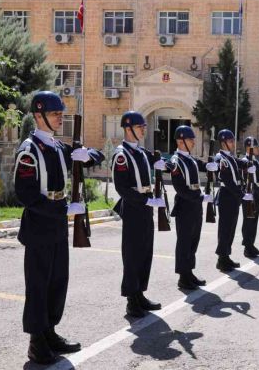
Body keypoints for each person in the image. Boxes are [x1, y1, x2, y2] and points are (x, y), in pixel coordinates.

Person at [14, 91, 104, 364]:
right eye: (55, 114)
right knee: (39, 284)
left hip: (56, 226)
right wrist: (63, 209)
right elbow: (26, 195)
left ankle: (50, 331)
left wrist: (88, 154)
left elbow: (95, 157)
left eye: (61, 114)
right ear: (38, 115)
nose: (59, 119)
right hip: (40, 225)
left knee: (57, 282)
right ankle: (36, 341)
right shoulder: (29, 151)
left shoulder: (56, 146)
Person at [112, 111, 166, 318]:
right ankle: (131, 300)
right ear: (128, 128)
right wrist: (146, 200)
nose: (144, 129)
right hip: (134, 208)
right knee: (133, 254)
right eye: (140, 126)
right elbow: (122, 188)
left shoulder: (141, 153)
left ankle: (140, 293)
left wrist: (163, 164)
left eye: (144, 126)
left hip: (145, 207)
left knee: (145, 252)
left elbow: (158, 163)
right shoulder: (121, 155)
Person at [167, 125, 218, 290]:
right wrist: (201, 197)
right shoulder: (175, 162)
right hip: (185, 206)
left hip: (195, 206)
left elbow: (200, 164)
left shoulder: (189, 158)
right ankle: (183, 276)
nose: (193, 142)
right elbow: (181, 189)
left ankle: (189, 272)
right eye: (190, 139)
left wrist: (211, 165)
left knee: (193, 241)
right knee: (184, 242)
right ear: (180, 141)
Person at [214, 129, 243, 272]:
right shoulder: (220, 158)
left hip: (233, 196)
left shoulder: (230, 158)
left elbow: (240, 164)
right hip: (227, 195)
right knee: (225, 229)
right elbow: (226, 179)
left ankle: (226, 256)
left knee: (231, 228)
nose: (233, 143)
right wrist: (240, 193)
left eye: (233, 140)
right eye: (230, 141)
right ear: (223, 142)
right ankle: (221, 259)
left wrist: (249, 164)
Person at [241, 136, 259, 258]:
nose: (257, 149)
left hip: (258, 193)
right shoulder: (244, 161)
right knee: (248, 221)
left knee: (254, 221)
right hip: (249, 195)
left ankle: (251, 244)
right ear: (249, 148)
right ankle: (247, 247)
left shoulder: (257, 161)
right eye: (255, 147)